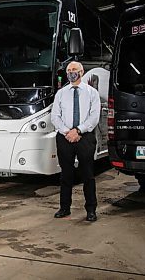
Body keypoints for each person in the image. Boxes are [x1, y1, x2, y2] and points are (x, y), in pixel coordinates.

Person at [50, 61, 100, 222]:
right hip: (65, 137)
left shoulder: (92, 93)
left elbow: (94, 117)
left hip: (84, 137)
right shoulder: (61, 93)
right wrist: (68, 132)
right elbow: (55, 116)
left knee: (88, 174)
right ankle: (64, 208)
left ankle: (91, 209)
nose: (71, 73)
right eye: (69, 70)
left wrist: (78, 130)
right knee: (66, 175)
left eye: (74, 70)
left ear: (82, 71)